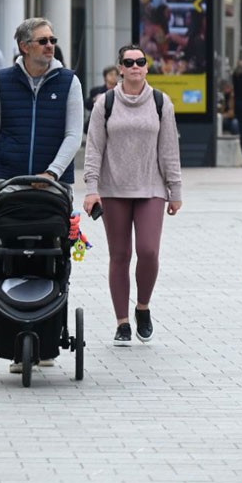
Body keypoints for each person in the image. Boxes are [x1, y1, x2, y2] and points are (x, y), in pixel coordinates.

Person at [0, 17, 84, 374]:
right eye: (43, 40)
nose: (50, 45)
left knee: (54, 256)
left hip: (53, 190)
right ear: (24, 46)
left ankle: (49, 336)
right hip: (11, 186)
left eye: (52, 39)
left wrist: (50, 173)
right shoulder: (2, 83)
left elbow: (73, 135)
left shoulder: (68, 82)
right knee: (9, 254)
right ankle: (12, 337)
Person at [83, 45, 183, 346]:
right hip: (114, 190)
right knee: (120, 255)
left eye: (141, 61)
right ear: (120, 69)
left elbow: (169, 150)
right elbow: (94, 149)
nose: (136, 66)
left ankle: (142, 307)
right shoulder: (105, 103)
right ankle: (122, 322)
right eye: (130, 62)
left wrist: (174, 190)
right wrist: (92, 189)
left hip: (151, 188)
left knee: (149, 251)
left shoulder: (161, 103)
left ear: (147, 68)